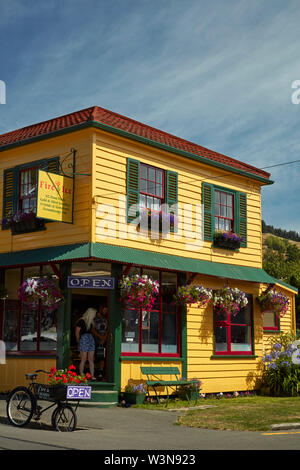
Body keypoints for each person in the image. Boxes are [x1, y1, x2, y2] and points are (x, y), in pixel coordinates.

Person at [75, 307, 97, 380]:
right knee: (83, 358)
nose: (95, 315)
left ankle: (92, 375)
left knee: (91, 359)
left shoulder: (91, 322)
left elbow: (93, 332)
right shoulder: (81, 321)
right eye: (94, 314)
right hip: (84, 339)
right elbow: (77, 332)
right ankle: (81, 375)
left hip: (90, 339)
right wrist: (78, 341)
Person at [93, 306, 108, 378]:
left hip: (104, 340)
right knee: (95, 356)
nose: (105, 311)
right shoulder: (95, 318)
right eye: (104, 310)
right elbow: (92, 329)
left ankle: (100, 372)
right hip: (95, 339)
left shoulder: (107, 318)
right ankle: (93, 372)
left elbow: (108, 329)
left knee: (102, 356)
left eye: (106, 310)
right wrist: (99, 336)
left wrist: (104, 339)